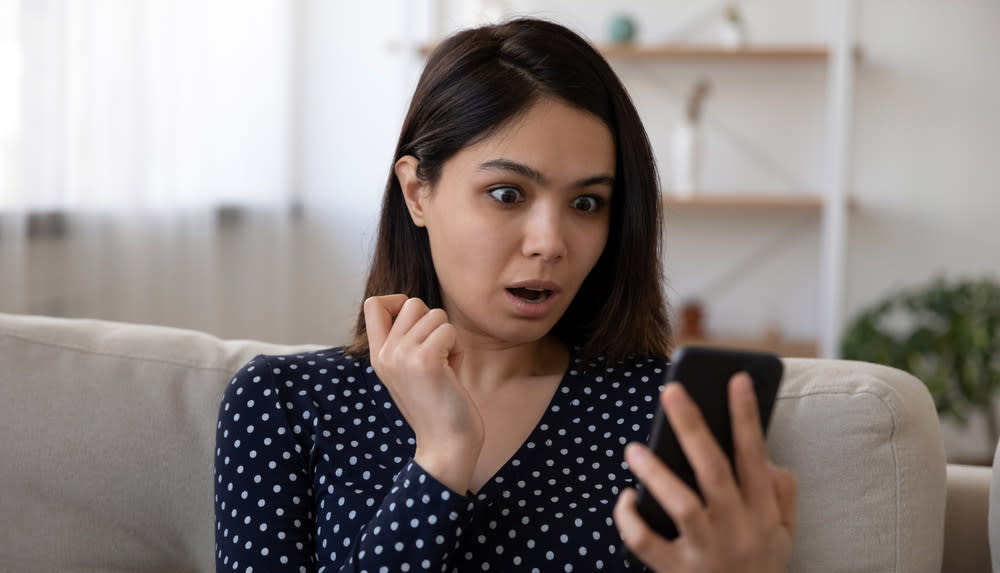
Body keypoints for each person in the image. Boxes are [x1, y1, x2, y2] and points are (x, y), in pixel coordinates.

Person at [214, 17, 797, 572]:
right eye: (507, 194)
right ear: (418, 192)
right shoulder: (285, 403)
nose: (550, 243)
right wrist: (442, 457)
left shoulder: (665, 413)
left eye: (586, 203)